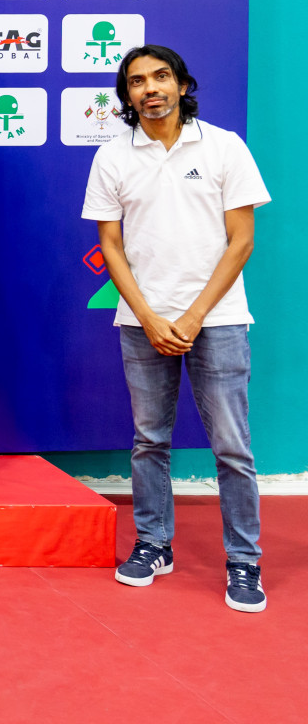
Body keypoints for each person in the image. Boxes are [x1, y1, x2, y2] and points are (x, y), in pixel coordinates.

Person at [82, 45, 270, 612]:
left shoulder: (223, 147)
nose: (150, 89)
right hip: (142, 322)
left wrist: (191, 317)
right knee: (149, 441)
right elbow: (110, 247)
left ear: (183, 85)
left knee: (233, 448)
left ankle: (244, 562)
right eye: (137, 82)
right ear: (127, 96)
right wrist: (148, 314)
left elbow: (242, 241)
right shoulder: (112, 158)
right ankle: (152, 544)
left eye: (161, 77)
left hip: (219, 320)